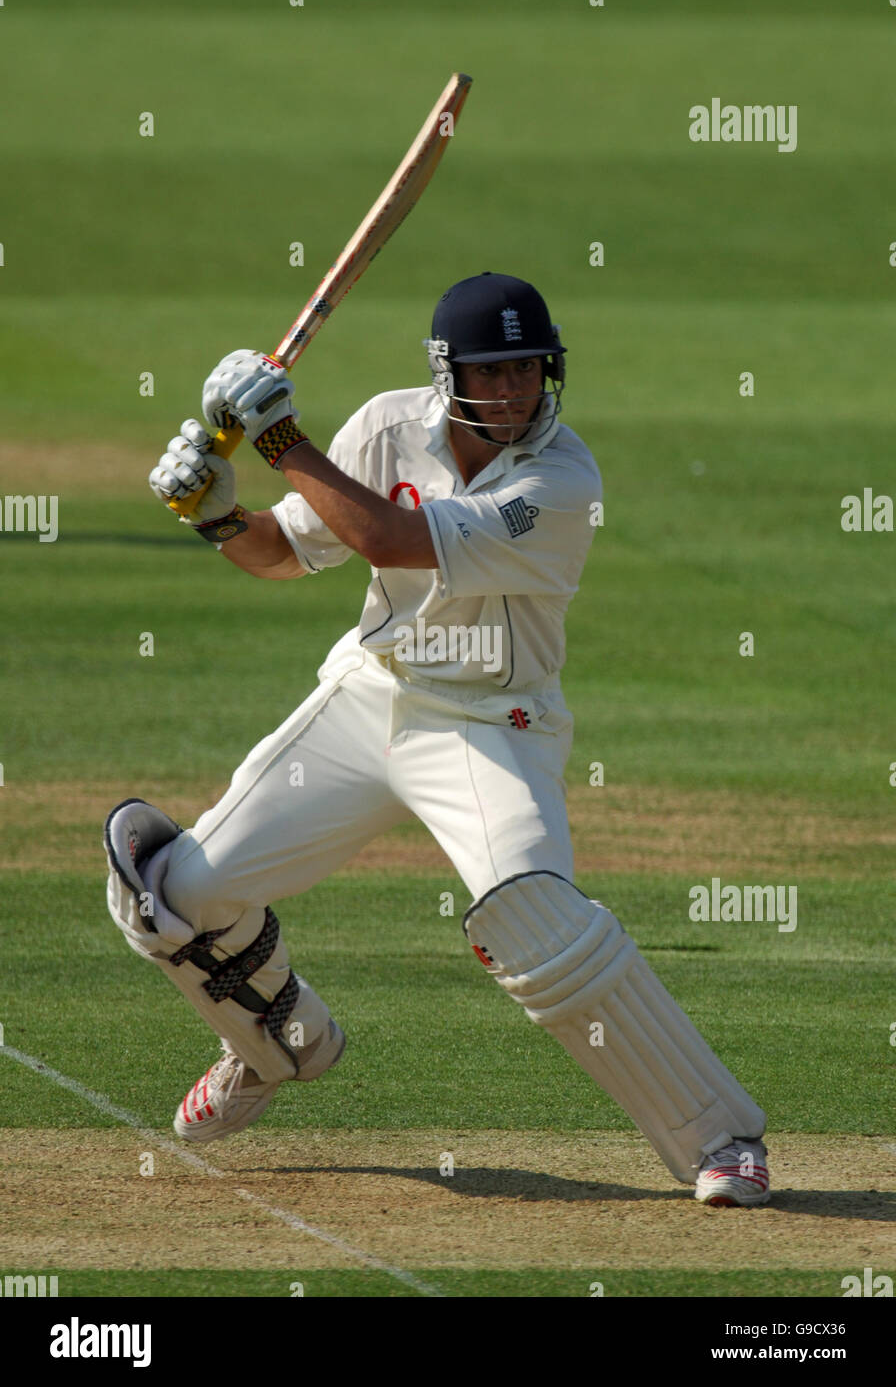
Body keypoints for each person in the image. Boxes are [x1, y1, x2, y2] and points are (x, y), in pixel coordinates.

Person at [104, 273, 770, 1206]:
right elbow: (289, 553)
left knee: (540, 928)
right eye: (492, 373)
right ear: (447, 373)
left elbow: (389, 538)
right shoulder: (384, 427)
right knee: (169, 894)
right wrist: (216, 510)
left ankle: (722, 1138)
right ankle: (275, 1042)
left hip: (494, 726)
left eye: (530, 370)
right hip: (373, 695)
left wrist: (282, 440)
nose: (514, 393)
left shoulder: (563, 480)